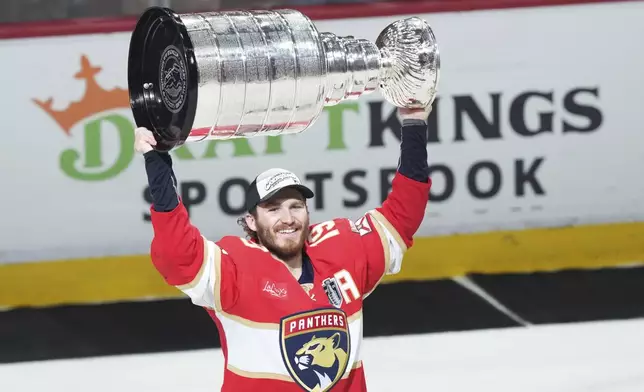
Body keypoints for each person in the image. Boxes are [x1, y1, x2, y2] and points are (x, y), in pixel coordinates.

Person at [134, 103, 433, 392]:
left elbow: (402, 215)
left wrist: (414, 122)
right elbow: (177, 254)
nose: (288, 219)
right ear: (251, 221)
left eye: (296, 206)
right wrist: (157, 163)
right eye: (273, 209)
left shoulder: (343, 249)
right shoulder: (235, 270)